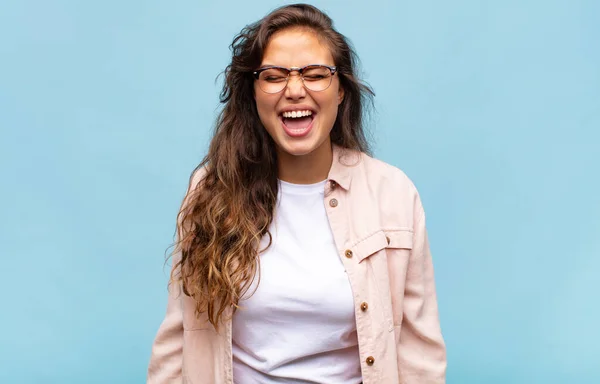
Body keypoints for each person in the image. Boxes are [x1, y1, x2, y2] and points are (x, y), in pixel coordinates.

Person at [147, 3, 446, 384]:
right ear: (253, 94)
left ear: (341, 91)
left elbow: (419, 352)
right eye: (272, 76)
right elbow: (178, 337)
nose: (294, 90)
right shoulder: (211, 189)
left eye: (316, 74)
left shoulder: (393, 193)